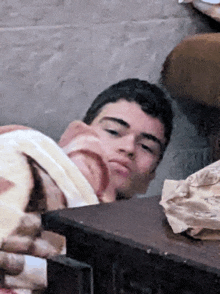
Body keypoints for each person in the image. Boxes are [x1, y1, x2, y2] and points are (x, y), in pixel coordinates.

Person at [0, 78, 173, 293]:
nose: (128, 148)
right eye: (113, 131)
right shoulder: (34, 157)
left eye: (146, 146)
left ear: (151, 177)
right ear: (80, 134)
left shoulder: (143, 248)